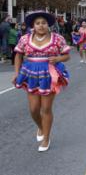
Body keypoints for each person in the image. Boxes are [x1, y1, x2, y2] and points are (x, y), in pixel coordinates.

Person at [13, 11, 70, 152]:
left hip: (49, 75)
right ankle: (41, 126)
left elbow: (66, 55)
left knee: (46, 109)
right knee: (33, 109)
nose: (41, 25)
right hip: (31, 74)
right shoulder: (25, 39)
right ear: (33, 25)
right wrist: (16, 73)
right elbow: (18, 56)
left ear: (48, 24)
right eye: (38, 23)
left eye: (43, 23)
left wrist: (58, 59)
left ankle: (46, 138)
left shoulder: (57, 39)